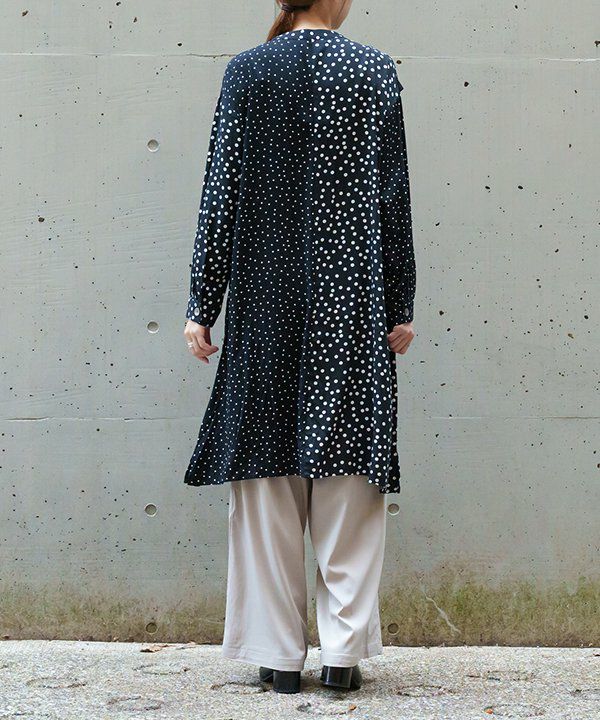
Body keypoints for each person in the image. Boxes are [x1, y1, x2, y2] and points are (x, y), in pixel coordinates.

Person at [182, 0, 416, 694]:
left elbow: (220, 194)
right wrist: (400, 302)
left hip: (266, 305)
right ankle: (342, 656)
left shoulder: (247, 72)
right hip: (350, 305)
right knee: (350, 484)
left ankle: (279, 658)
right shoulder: (373, 70)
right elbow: (392, 196)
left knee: (265, 486)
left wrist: (202, 303)